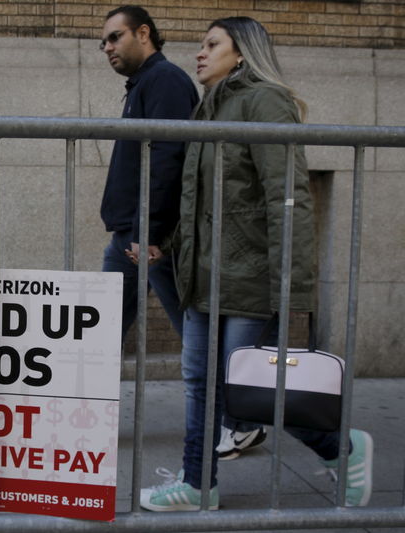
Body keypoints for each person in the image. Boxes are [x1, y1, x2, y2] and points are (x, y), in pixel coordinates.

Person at [139, 16, 373, 511]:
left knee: (248, 388)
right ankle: (198, 484)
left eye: (211, 44)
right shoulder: (209, 109)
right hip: (205, 273)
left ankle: (344, 449)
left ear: (241, 52)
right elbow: (201, 200)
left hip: (248, 275)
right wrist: (169, 242)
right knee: (203, 381)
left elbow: (288, 198)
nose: (199, 53)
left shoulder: (265, 101)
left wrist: (293, 286)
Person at [99, 5, 198, 341]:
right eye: (104, 43)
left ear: (143, 33)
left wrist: (150, 231)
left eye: (115, 37)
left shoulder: (164, 79)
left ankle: (219, 390)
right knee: (100, 336)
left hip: (150, 236)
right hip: (133, 233)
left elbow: (167, 156)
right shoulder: (144, 82)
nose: (108, 48)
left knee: (194, 332)